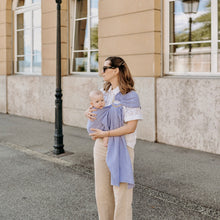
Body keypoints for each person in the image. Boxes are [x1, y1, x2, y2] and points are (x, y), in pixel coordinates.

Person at [85, 56, 143, 220]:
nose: (101, 72)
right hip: (101, 147)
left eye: (105, 68)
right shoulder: (103, 94)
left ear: (116, 70)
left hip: (122, 148)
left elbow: (131, 127)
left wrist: (106, 134)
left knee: (122, 195)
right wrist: (87, 113)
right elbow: (96, 115)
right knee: (103, 193)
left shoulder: (130, 95)